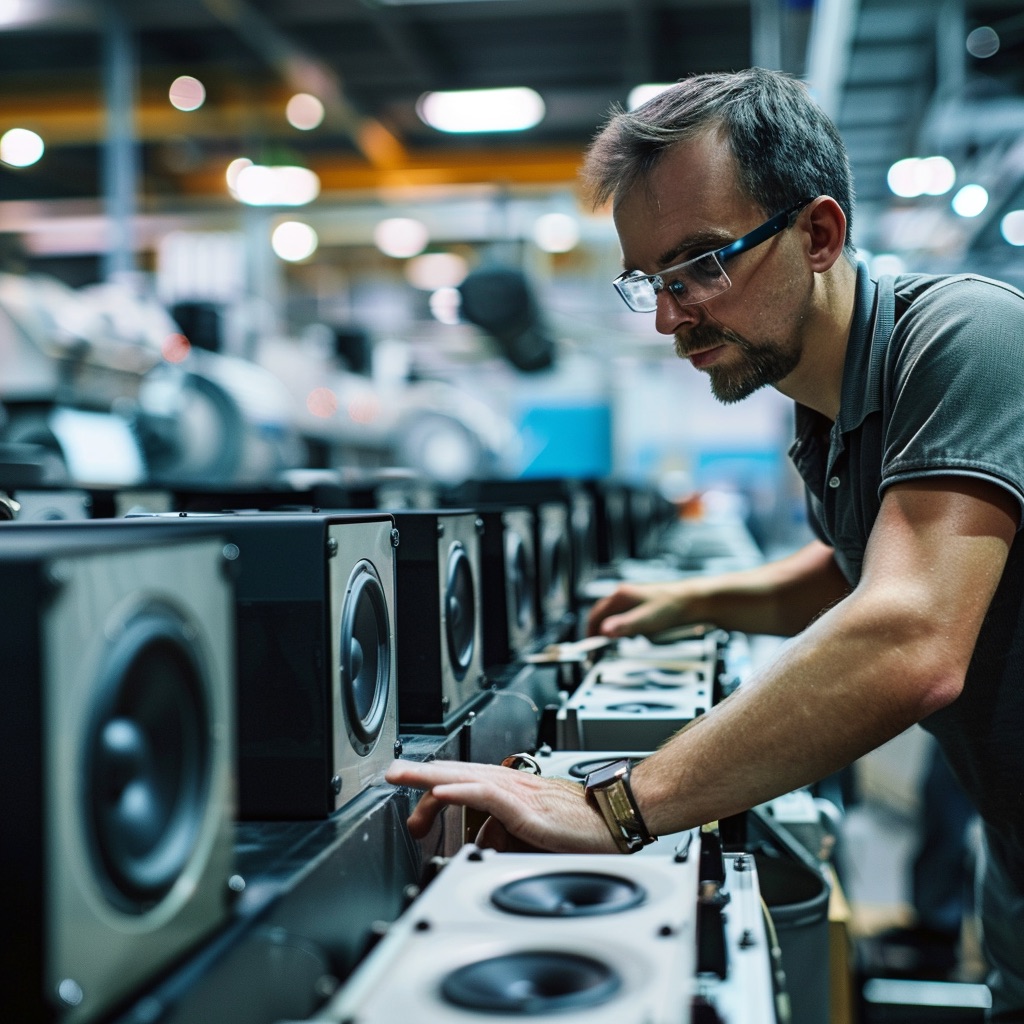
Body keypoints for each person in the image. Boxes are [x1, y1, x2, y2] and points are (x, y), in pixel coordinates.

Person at [385, 67, 1024, 1019]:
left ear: (819, 233)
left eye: (703, 266)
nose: (671, 315)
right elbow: (857, 571)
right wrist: (693, 603)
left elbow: (910, 637)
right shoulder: (826, 413)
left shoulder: (965, 337)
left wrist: (618, 803)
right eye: (652, 280)